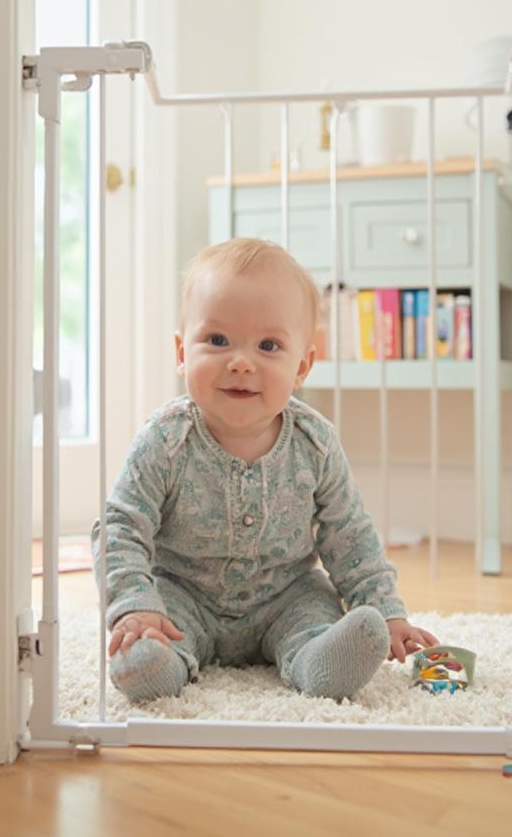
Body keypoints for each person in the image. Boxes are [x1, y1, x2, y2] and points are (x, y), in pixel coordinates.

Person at [91, 238, 437, 703]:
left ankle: (320, 661)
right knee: (159, 628)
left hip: (285, 597)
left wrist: (386, 610)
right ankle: (154, 664)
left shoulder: (315, 443)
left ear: (303, 365)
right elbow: (120, 527)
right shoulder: (165, 440)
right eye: (216, 340)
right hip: (184, 594)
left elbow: (349, 535)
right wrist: (134, 605)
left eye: (268, 345)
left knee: (315, 614)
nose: (239, 362)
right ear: (181, 352)